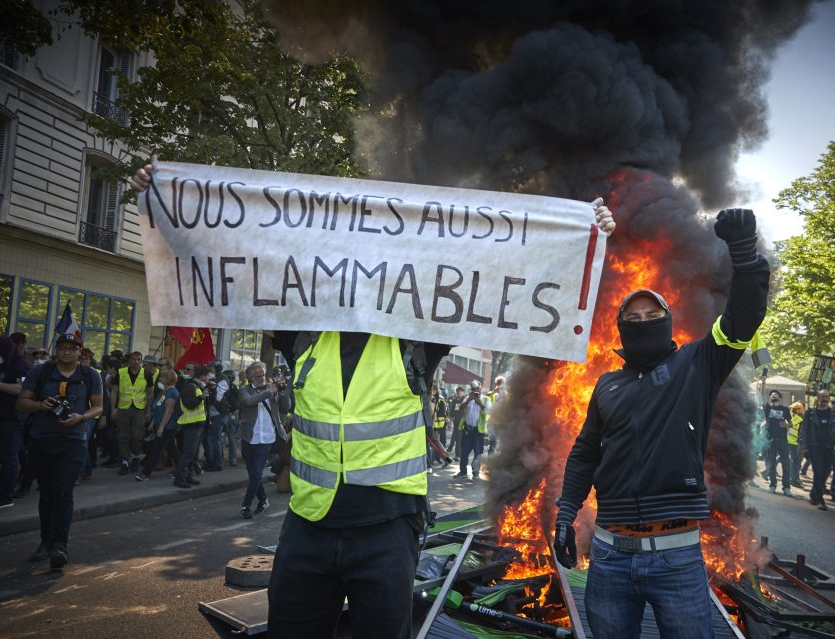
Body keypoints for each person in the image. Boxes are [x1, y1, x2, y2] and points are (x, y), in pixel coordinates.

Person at [131, 161, 616, 638]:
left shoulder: (417, 336)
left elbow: (496, 273)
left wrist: (583, 236)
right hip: (309, 525)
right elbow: (234, 264)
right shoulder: (298, 330)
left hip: (387, 530)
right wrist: (165, 202)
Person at [553, 208, 768, 639]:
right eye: (632, 320)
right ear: (620, 329)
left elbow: (743, 317)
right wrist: (565, 514)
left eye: (652, 317)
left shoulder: (698, 364)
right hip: (609, 557)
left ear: (667, 321)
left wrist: (744, 253)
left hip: (677, 559)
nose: (642, 323)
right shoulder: (606, 385)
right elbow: (585, 453)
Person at [16, 333, 103, 568]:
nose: (67, 352)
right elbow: (21, 402)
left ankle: (59, 546)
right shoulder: (41, 372)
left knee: (63, 492)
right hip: (41, 440)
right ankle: (45, 542)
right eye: (62, 348)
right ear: (57, 351)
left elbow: (98, 407)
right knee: (46, 494)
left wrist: (81, 417)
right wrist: (39, 405)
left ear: (80, 352)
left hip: (73, 441)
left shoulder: (90, 375)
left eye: (72, 348)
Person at [237, 361, 288, 519]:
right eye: (258, 376)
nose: (262, 378)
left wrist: (282, 393)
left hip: (267, 437)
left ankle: (246, 505)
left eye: (263, 375)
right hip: (249, 437)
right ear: (251, 377)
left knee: (257, 473)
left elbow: (285, 408)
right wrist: (269, 392)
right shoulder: (244, 389)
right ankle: (264, 500)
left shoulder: (271, 388)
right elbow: (249, 402)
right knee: (253, 474)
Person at [0, 336, 31, 509]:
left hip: (12, 418)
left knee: (9, 456)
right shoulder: (1, 366)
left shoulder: (21, 367)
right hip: (1, 417)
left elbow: (21, 390)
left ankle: (5, 496)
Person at [798, 390, 835, 510]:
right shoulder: (810, 413)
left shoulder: (834, 414)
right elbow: (804, 430)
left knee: (826, 472)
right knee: (818, 472)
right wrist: (803, 446)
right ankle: (820, 499)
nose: (824, 399)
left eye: (826, 397)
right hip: (814, 447)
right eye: (822, 396)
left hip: (829, 447)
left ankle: (814, 494)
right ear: (818, 398)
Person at [111, 351, 154, 475]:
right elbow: (114, 391)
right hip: (123, 408)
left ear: (141, 361)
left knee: (137, 436)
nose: (135, 362)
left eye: (138, 360)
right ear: (129, 360)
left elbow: (150, 394)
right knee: (122, 436)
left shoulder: (146, 373)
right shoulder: (121, 372)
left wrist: (149, 411)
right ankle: (125, 461)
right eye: (133, 359)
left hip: (139, 409)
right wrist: (113, 409)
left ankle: (135, 457)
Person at [135, 368, 182, 481]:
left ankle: (146, 473)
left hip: (168, 427)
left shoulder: (172, 393)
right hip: (161, 425)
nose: (160, 379)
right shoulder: (164, 392)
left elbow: (168, 411)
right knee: (172, 449)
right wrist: (152, 423)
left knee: (156, 449)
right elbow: (158, 409)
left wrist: (161, 428)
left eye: (162, 377)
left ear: (168, 380)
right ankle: (183, 468)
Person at [173, 364, 212, 489]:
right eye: (207, 375)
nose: (209, 377)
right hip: (191, 425)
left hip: (198, 425)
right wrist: (201, 397)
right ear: (202, 376)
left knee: (193, 454)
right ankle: (179, 478)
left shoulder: (199, 387)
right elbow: (189, 404)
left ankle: (187, 476)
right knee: (188, 453)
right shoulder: (190, 387)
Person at [454, 380, 490, 480]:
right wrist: (468, 400)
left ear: (480, 388)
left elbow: (489, 412)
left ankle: (475, 472)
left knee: (478, 452)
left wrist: (480, 403)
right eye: (473, 389)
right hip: (467, 430)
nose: (475, 391)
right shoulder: (467, 398)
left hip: (478, 432)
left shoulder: (486, 399)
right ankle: (463, 472)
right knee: (464, 451)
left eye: (476, 389)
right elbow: (459, 408)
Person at [763, 390, 791, 495]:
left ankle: (786, 487)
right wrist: (763, 380)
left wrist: (786, 425)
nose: (773, 395)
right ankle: (772, 485)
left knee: (786, 464)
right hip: (771, 439)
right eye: (771, 395)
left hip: (783, 440)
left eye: (775, 394)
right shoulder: (767, 408)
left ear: (780, 397)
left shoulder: (785, 409)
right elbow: (761, 390)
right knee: (772, 463)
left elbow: (791, 424)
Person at [787, 401, 804, 489]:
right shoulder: (798, 418)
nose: (802, 410)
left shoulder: (792, 416)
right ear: (797, 410)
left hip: (789, 441)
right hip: (792, 442)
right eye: (801, 409)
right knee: (796, 462)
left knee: (787, 459)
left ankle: (792, 478)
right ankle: (793, 480)